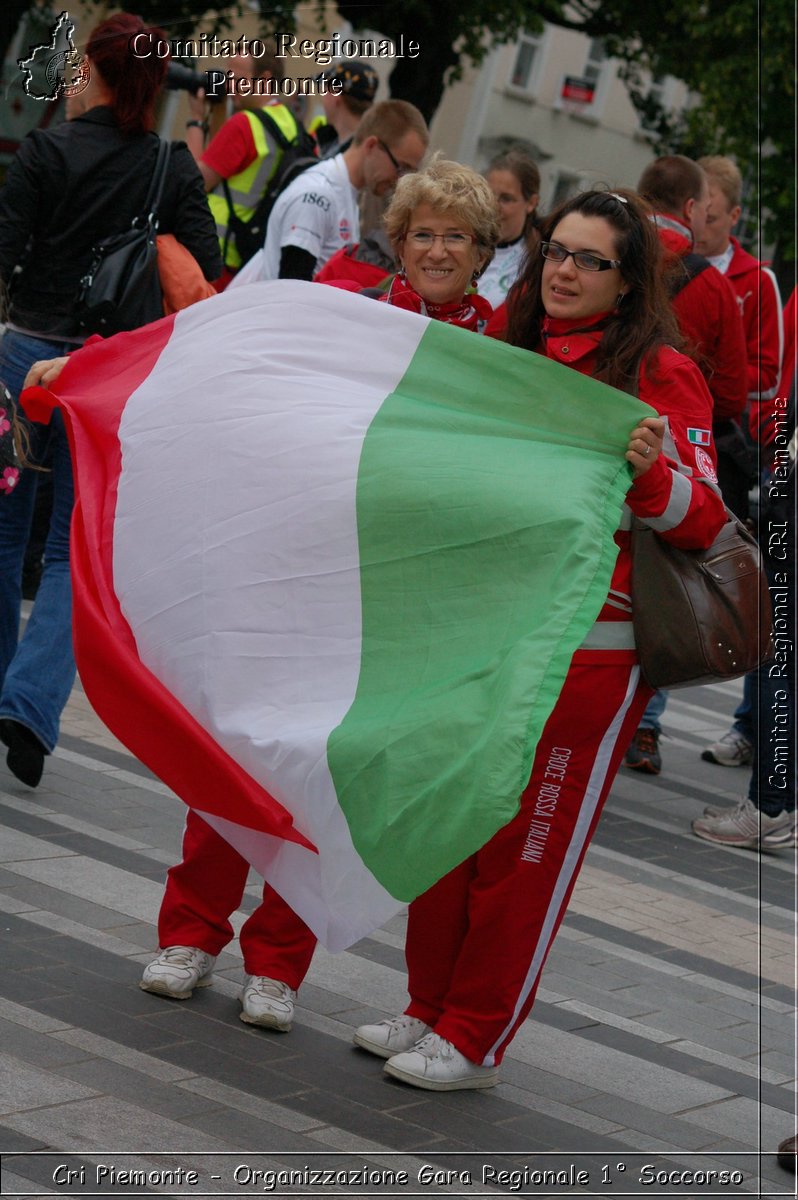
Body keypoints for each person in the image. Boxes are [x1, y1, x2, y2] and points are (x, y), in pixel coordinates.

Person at [351, 188, 727, 1090]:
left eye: (590, 259)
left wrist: (648, 477)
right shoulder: (500, 355)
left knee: (526, 850)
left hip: (590, 653)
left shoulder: (663, 375)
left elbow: (704, 520)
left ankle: (476, 1032)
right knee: (448, 831)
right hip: (481, 634)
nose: (563, 270)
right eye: (556, 250)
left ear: (629, 279)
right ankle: (427, 1006)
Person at [137, 158, 499, 1032]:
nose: (438, 249)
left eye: (457, 235)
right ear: (398, 242)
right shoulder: (351, 317)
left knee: (321, 773)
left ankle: (279, 963)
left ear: (485, 251)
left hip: (401, 599)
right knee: (239, 748)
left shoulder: (503, 353)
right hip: (306, 567)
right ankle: (190, 932)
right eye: (423, 233)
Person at [0, 12, 220, 789]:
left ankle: (5, 686)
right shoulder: (170, 166)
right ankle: (27, 704)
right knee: (72, 545)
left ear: (92, 71)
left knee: (2, 529)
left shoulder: (46, 149)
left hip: (24, 360)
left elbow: (5, 249)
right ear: (157, 87)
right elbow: (209, 259)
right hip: (107, 377)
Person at [624, 155, 748, 776]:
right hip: (672, 470)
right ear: (694, 209)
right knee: (665, 584)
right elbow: (734, 390)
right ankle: (641, 726)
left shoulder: (600, 247)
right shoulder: (716, 284)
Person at [696, 154, 785, 770]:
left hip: (731, 450)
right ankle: (746, 726)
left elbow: (770, 376)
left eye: (711, 211)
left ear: (733, 215)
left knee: (751, 588)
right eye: (692, 209)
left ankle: (757, 732)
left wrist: (706, 378)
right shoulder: (671, 264)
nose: (699, 220)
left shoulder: (759, 282)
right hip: (674, 436)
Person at [229, 100, 429, 286]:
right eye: (401, 167)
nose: (400, 180)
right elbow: (291, 286)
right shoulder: (318, 196)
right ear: (371, 146)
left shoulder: (346, 193)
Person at [185, 46, 309, 290]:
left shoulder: (244, 124)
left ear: (264, 80)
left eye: (236, 76)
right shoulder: (289, 124)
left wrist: (196, 120)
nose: (228, 84)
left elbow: (192, 181)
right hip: (246, 254)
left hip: (210, 251)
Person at [478, 147, 540, 309]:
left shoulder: (537, 263)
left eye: (506, 199)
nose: (493, 207)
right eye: (489, 196)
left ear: (531, 203)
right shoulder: (460, 242)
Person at [312, 60, 379, 158]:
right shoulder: (373, 148)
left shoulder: (354, 158)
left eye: (325, 90)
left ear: (335, 94)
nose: (323, 98)